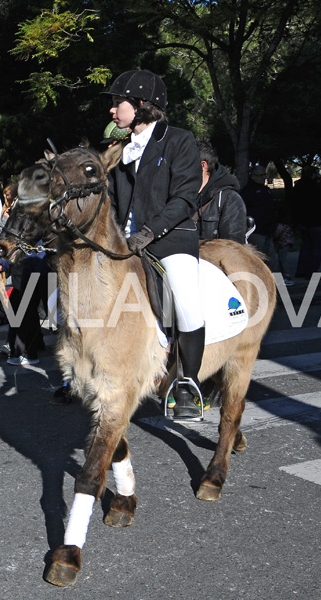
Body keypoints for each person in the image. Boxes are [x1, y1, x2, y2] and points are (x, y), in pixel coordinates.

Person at [104, 69, 205, 419]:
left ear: (143, 105)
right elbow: (114, 205)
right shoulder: (120, 152)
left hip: (171, 239)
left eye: (119, 103)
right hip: (125, 244)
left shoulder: (178, 140)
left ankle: (188, 384)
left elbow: (185, 199)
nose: (113, 111)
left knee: (186, 302)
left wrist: (149, 231)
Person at [193, 139, 247, 243]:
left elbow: (232, 248)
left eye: (184, 163)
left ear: (203, 165)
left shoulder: (229, 199)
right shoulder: (178, 195)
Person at [291, 165, 321, 280]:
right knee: (318, 247)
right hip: (317, 221)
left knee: (306, 246)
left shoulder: (298, 186)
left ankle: (302, 270)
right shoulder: (316, 187)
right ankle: (312, 271)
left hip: (304, 222)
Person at [241, 165, 279, 264]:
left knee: (271, 258)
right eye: (261, 175)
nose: (264, 177)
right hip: (256, 230)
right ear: (253, 176)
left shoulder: (266, 190)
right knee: (258, 258)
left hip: (269, 230)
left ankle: (273, 278)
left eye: (264, 174)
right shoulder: (248, 191)